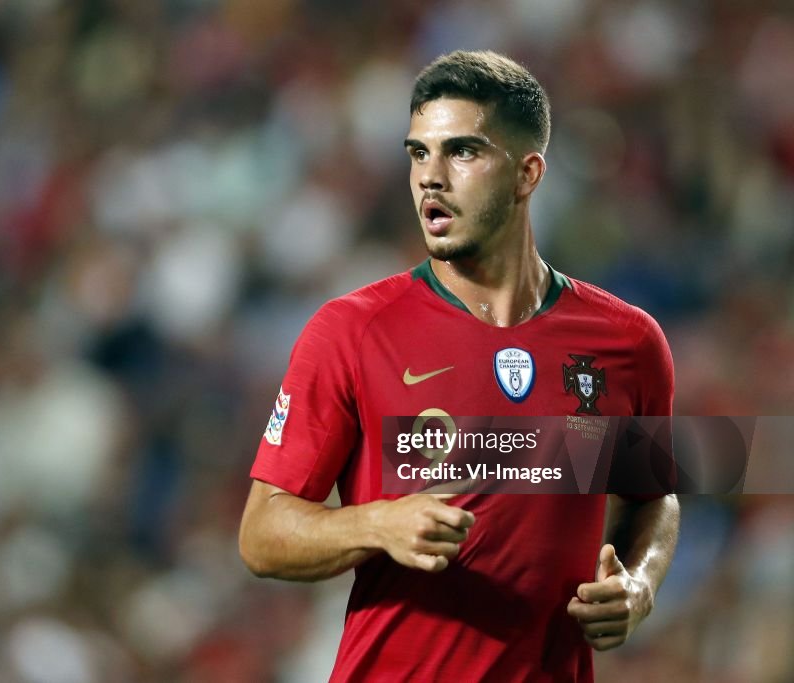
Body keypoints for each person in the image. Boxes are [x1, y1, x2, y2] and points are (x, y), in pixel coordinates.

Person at [238, 50, 680, 682]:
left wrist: (638, 584)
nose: (430, 177)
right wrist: (377, 523)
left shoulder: (628, 342)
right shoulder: (352, 330)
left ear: (528, 174)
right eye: (419, 153)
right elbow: (261, 534)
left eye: (462, 152)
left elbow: (653, 499)